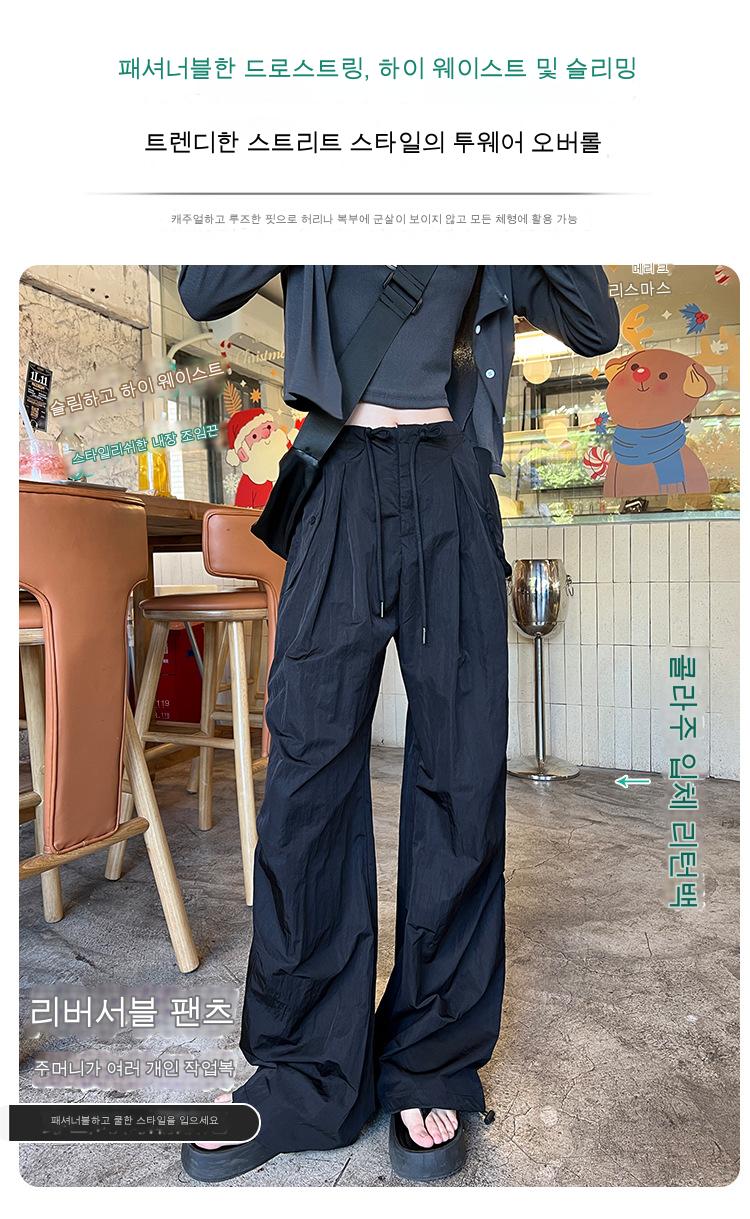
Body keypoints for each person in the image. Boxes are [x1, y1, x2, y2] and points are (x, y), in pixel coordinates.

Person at [177, 265, 620, 1182]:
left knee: (461, 775)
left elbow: (594, 323)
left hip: (450, 481)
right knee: (306, 775)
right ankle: (305, 1071)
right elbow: (203, 287)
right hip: (338, 477)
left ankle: (431, 1057)